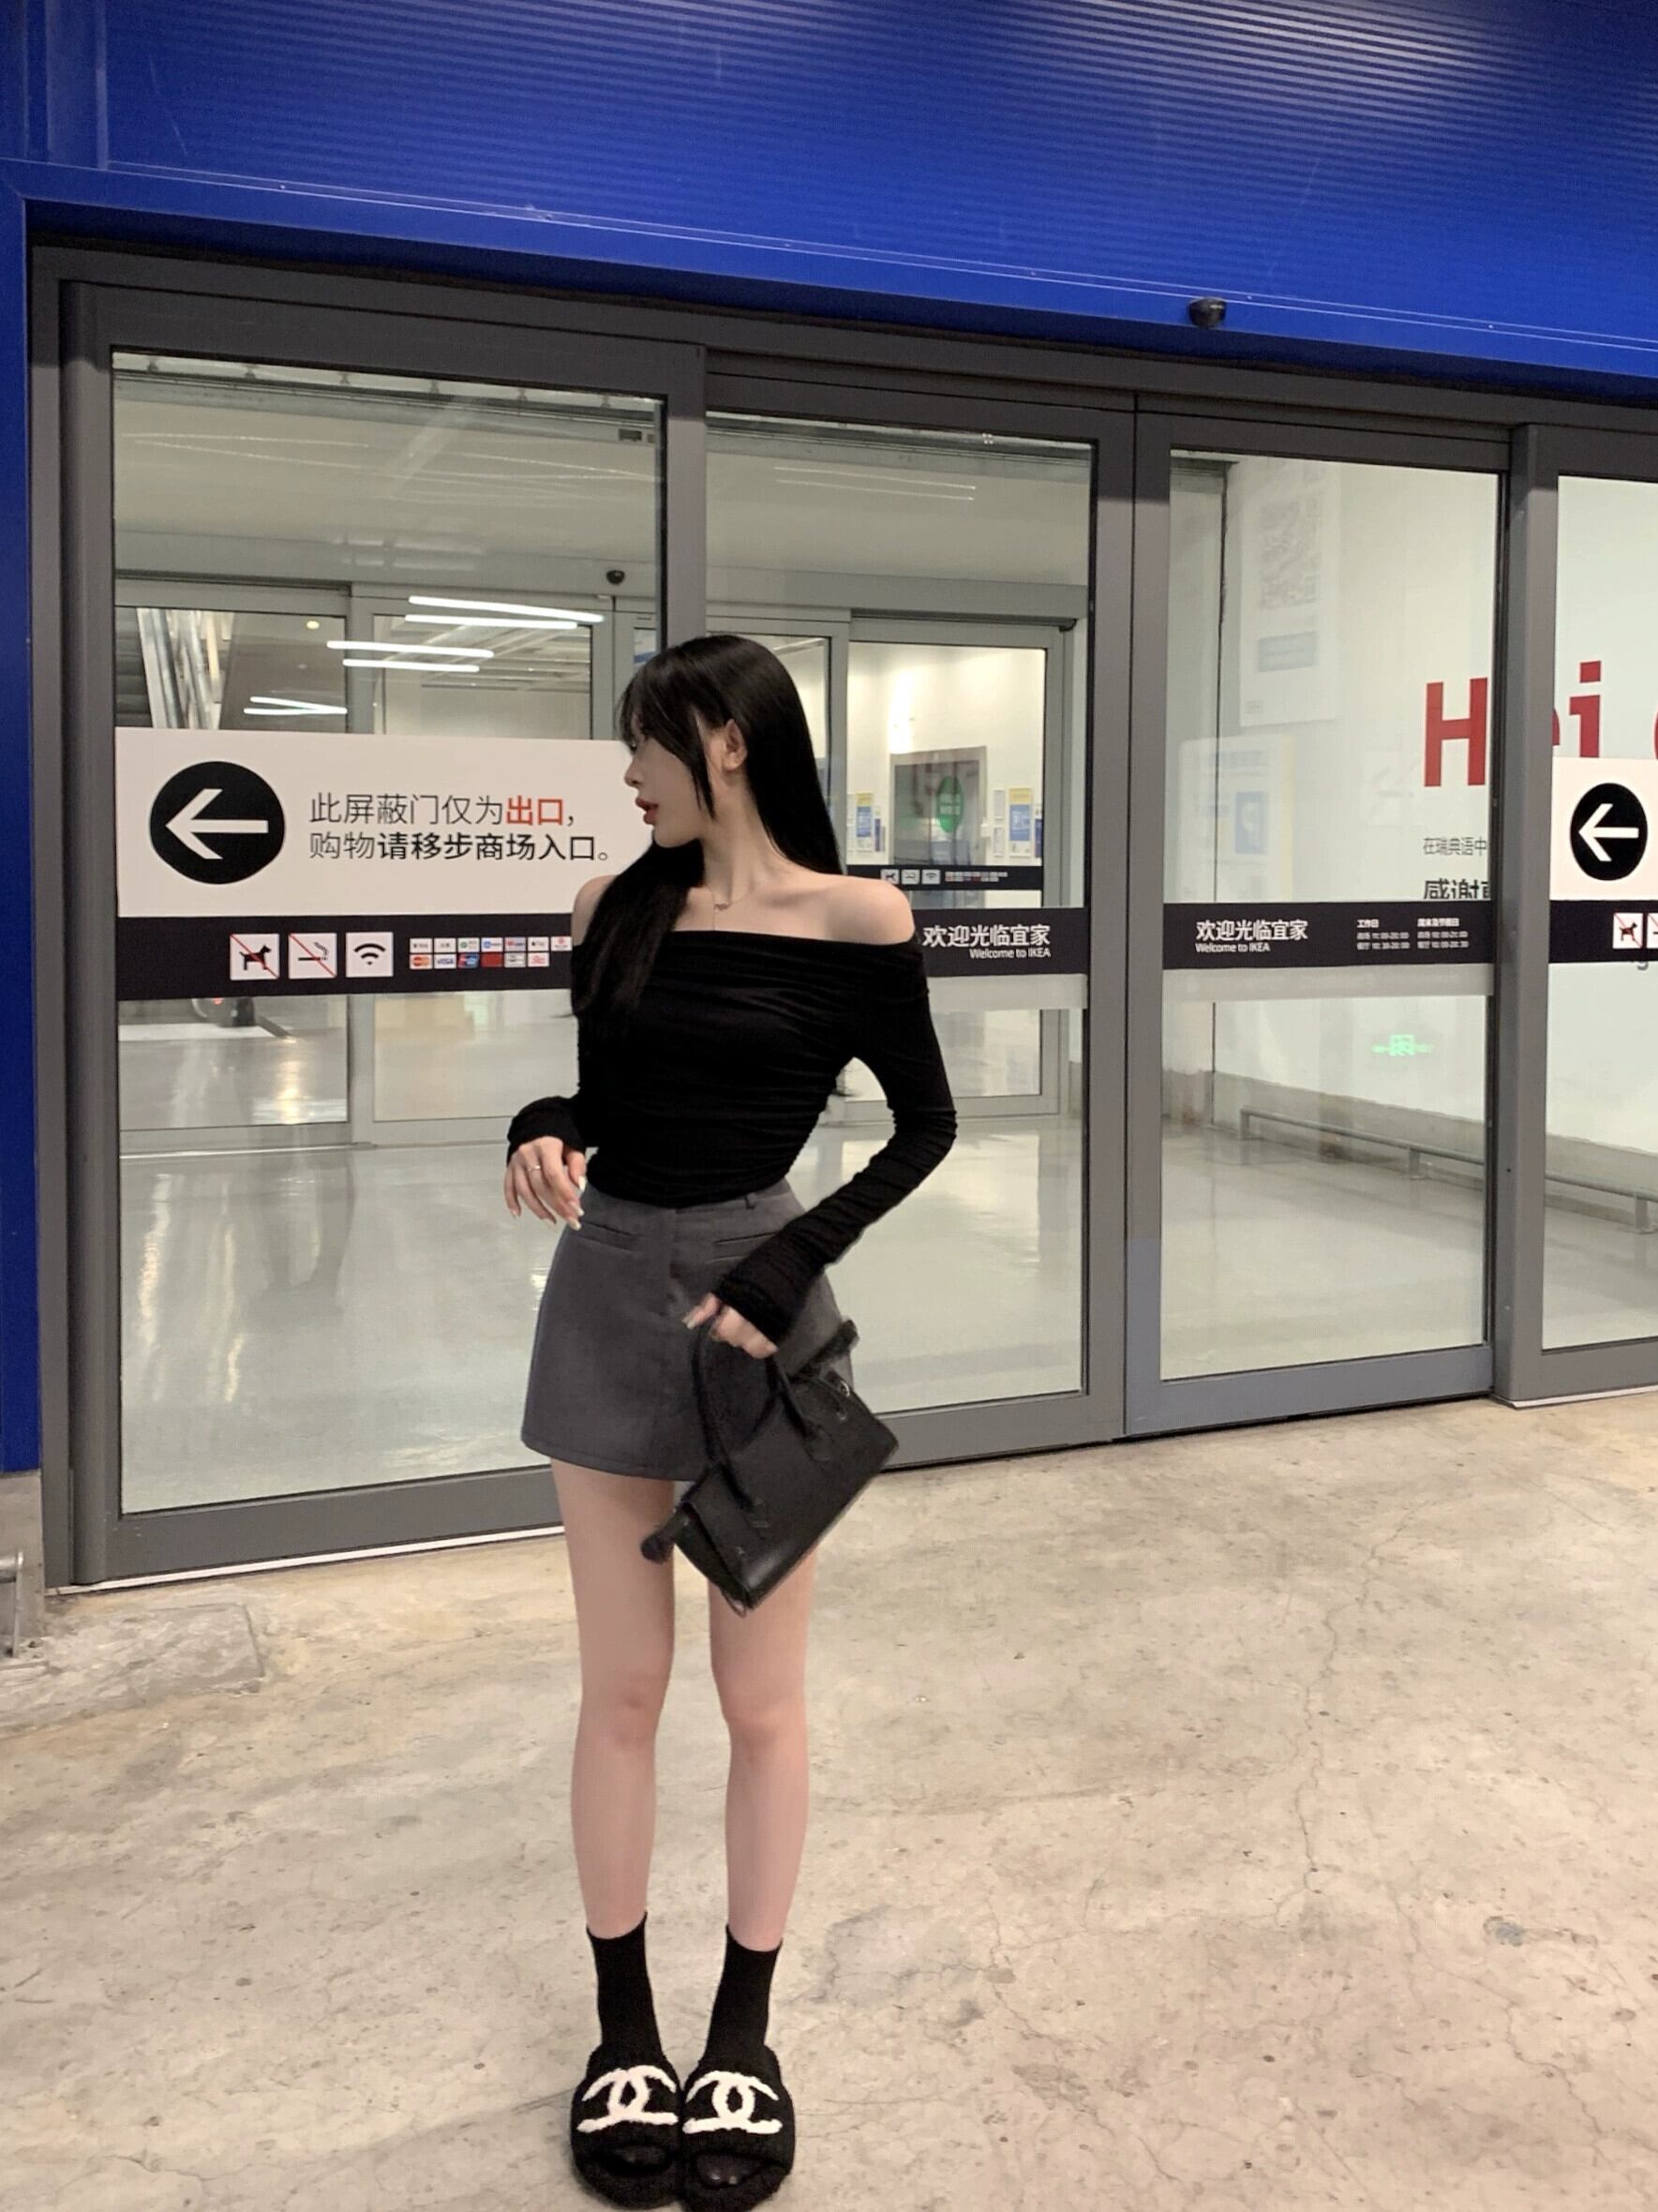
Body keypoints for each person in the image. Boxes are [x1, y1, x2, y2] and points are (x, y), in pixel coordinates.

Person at [502, 635, 957, 2210]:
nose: (626, 774)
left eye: (645, 745)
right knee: (620, 1692)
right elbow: (609, 1104)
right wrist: (544, 1124)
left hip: (761, 1315)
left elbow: (925, 1126)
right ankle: (623, 2032)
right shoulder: (611, 908)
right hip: (605, 1292)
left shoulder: (857, 920)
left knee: (759, 1703)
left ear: (727, 744)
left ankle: (741, 2038)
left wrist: (787, 1260)